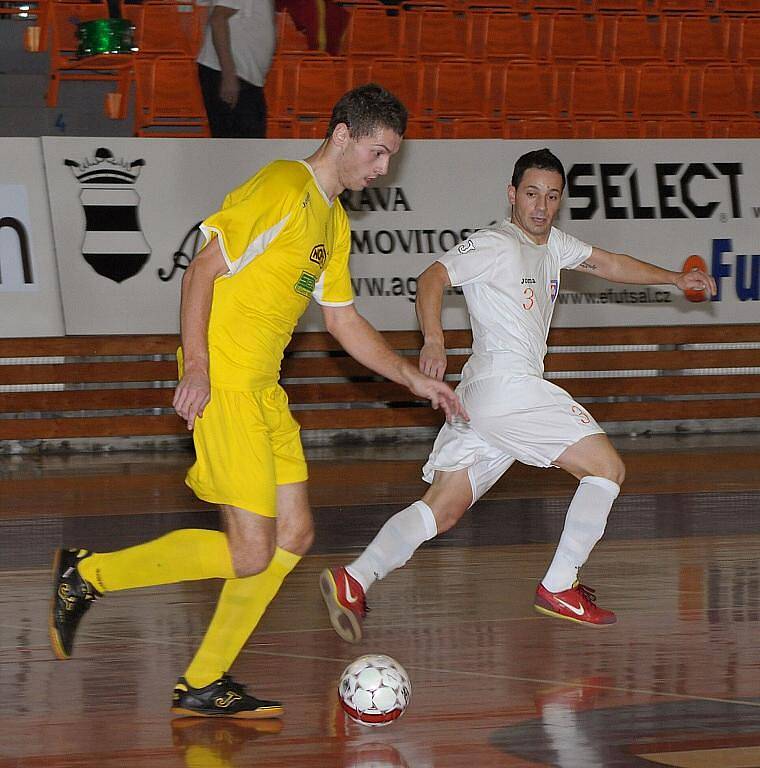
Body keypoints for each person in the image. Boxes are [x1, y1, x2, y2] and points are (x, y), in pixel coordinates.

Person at [49, 84, 466, 720]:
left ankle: (203, 680)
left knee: (293, 535)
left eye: (391, 159)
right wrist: (200, 367)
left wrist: (413, 378)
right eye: (378, 153)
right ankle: (86, 576)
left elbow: (343, 320)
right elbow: (201, 270)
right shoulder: (282, 186)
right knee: (250, 551)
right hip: (226, 388)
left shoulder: (331, 220)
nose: (383, 170)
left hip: (265, 392)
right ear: (342, 136)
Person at [320, 147, 717, 642]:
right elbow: (432, 278)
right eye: (531, 194)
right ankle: (559, 585)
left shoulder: (553, 246)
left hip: (481, 402)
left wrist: (676, 278)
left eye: (552, 196)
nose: (541, 206)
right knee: (608, 469)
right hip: (508, 387)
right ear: (512, 195)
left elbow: (610, 263)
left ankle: (354, 578)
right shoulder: (497, 243)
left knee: (441, 509)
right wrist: (434, 338)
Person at [197, 0, 275, 138]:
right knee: (241, 146)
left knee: (245, 145)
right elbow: (218, 19)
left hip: (243, 76)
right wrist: (229, 76)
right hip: (233, 75)